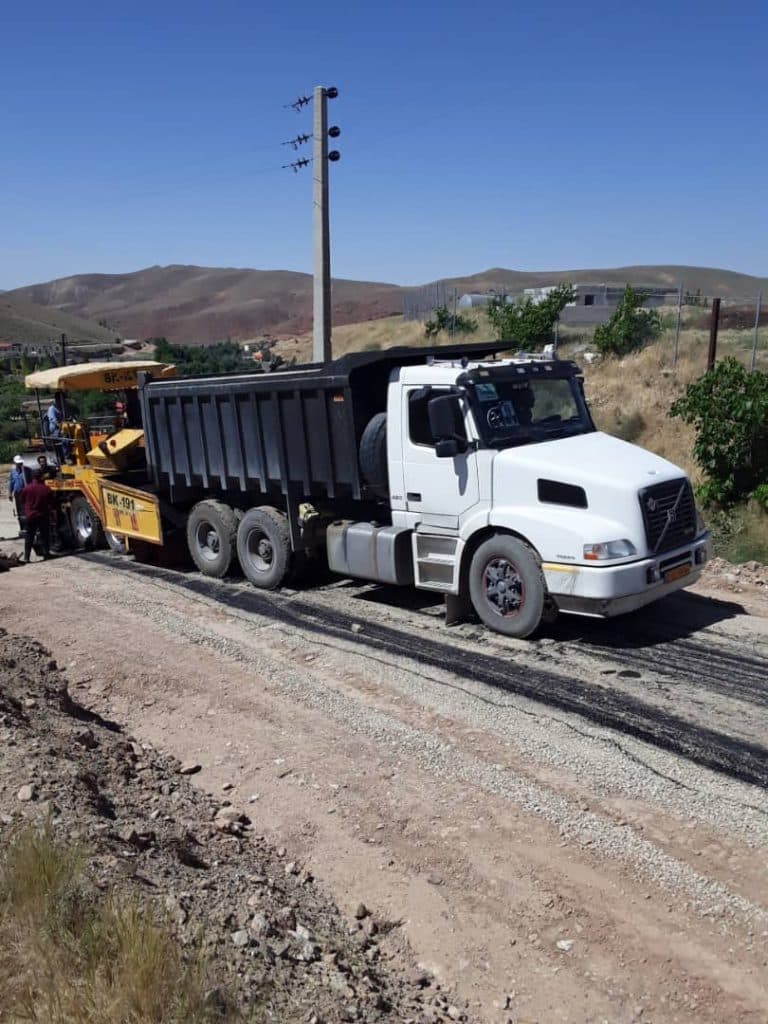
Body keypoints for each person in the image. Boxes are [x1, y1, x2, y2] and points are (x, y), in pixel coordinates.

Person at [19, 469, 53, 563]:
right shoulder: (46, 488)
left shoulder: (27, 488)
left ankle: (26, 557)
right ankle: (47, 554)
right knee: (45, 536)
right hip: (42, 515)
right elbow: (51, 502)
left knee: (29, 537)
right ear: (41, 477)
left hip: (30, 516)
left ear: (33, 477)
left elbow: (22, 500)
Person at [7, 455, 29, 535]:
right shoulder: (13, 472)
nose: (19, 465)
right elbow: (11, 483)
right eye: (18, 463)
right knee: (20, 511)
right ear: (15, 463)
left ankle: (29, 527)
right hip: (18, 493)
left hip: (26, 493)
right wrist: (10, 493)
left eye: (20, 463)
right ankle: (22, 528)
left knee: (27, 510)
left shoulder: (27, 471)